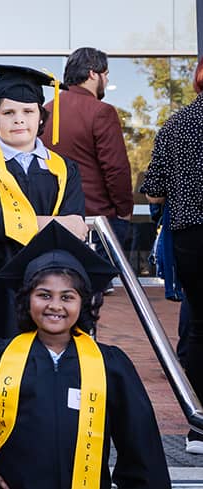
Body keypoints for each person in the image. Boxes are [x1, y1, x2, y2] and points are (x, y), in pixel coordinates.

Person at [0, 221, 170, 489]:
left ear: (83, 302)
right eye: (43, 295)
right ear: (27, 299)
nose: (55, 306)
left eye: (67, 297)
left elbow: (139, 441)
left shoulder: (109, 365)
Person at [0, 63, 86, 344]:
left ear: (41, 117)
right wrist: (52, 223)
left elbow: (75, 229)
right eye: (8, 113)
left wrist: (0, 231)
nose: (19, 120)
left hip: (48, 279)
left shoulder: (64, 169)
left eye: (28, 111)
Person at [140, 56, 203, 454]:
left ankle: (199, 429)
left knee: (198, 328)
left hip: (191, 236)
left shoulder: (177, 125)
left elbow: (153, 191)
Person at [42, 47, 134, 251]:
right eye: (106, 74)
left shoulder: (45, 111)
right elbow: (116, 169)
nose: (107, 81)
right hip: (97, 221)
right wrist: (124, 211)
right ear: (93, 73)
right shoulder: (101, 112)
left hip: (54, 220)